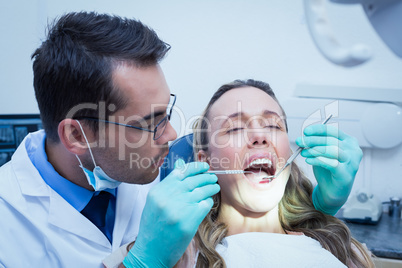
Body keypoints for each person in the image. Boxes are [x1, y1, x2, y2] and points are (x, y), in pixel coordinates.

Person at [0, 12, 359, 268]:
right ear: (78, 135)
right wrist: (144, 263)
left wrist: (320, 209)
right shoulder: (7, 229)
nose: (172, 137)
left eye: (273, 125)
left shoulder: (161, 161)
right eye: (150, 123)